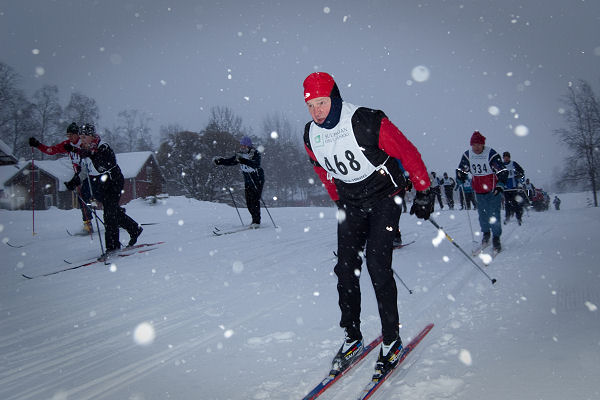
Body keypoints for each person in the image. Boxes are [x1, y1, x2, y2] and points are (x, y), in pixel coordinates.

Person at [301, 72, 433, 379]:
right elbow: (325, 172)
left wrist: (424, 189)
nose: (317, 111)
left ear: (334, 99)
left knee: (377, 263)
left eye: (322, 103)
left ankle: (392, 341)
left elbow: (407, 151)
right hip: (351, 199)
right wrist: (337, 199)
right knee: (345, 267)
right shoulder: (311, 134)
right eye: (310, 106)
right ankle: (352, 337)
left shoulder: (366, 121)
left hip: (385, 195)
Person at [64, 124, 143, 253]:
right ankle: (134, 228)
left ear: (92, 136)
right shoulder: (85, 150)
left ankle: (112, 247)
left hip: (113, 181)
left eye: (84, 137)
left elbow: (104, 165)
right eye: (81, 137)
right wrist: (74, 182)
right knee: (112, 211)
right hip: (102, 184)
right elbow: (84, 171)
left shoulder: (103, 146)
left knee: (109, 214)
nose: (82, 140)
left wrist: (89, 154)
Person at [28, 122, 102, 234]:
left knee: (99, 195)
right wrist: (38, 145)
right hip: (79, 175)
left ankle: (116, 214)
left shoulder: (84, 143)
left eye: (72, 135)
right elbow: (51, 150)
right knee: (82, 198)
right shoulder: (67, 144)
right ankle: (88, 224)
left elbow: (94, 147)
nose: (70, 138)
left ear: (78, 134)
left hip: (92, 173)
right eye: (68, 136)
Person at [456, 131, 507, 254]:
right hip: (478, 190)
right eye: (474, 145)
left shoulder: (491, 154)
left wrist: (500, 185)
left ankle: (496, 238)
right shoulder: (468, 155)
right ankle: (486, 234)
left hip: (492, 190)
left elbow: (502, 171)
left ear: (483, 144)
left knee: (493, 215)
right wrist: (460, 177)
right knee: (482, 215)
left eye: (479, 144)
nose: (476, 147)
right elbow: (462, 170)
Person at [213, 136, 265, 227]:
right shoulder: (240, 155)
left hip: (257, 180)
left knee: (255, 200)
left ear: (249, 146)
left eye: (244, 146)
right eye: (241, 146)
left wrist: (244, 161)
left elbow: (255, 164)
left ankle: (256, 221)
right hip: (248, 181)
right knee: (249, 202)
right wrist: (220, 161)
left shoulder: (255, 153)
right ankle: (254, 220)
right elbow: (231, 161)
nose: (242, 147)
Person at [502, 151, 525, 225]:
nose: (506, 159)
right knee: (507, 203)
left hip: (513, 187)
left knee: (515, 203)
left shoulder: (513, 164)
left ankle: (519, 218)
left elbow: (521, 171)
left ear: (509, 157)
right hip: (506, 187)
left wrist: (518, 175)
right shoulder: (501, 165)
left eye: (507, 157)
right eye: (504, 157)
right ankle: (507, 216)